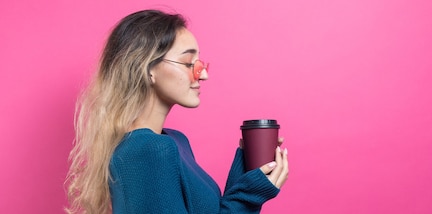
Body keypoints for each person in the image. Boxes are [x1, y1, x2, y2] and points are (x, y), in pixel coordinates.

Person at [66, 9, 289, 214]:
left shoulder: (175, 141)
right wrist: (250, 195)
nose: (203, 75)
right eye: (188, 63)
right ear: (148, 69)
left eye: (200, 63)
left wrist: (247, 175)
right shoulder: (149, 151)